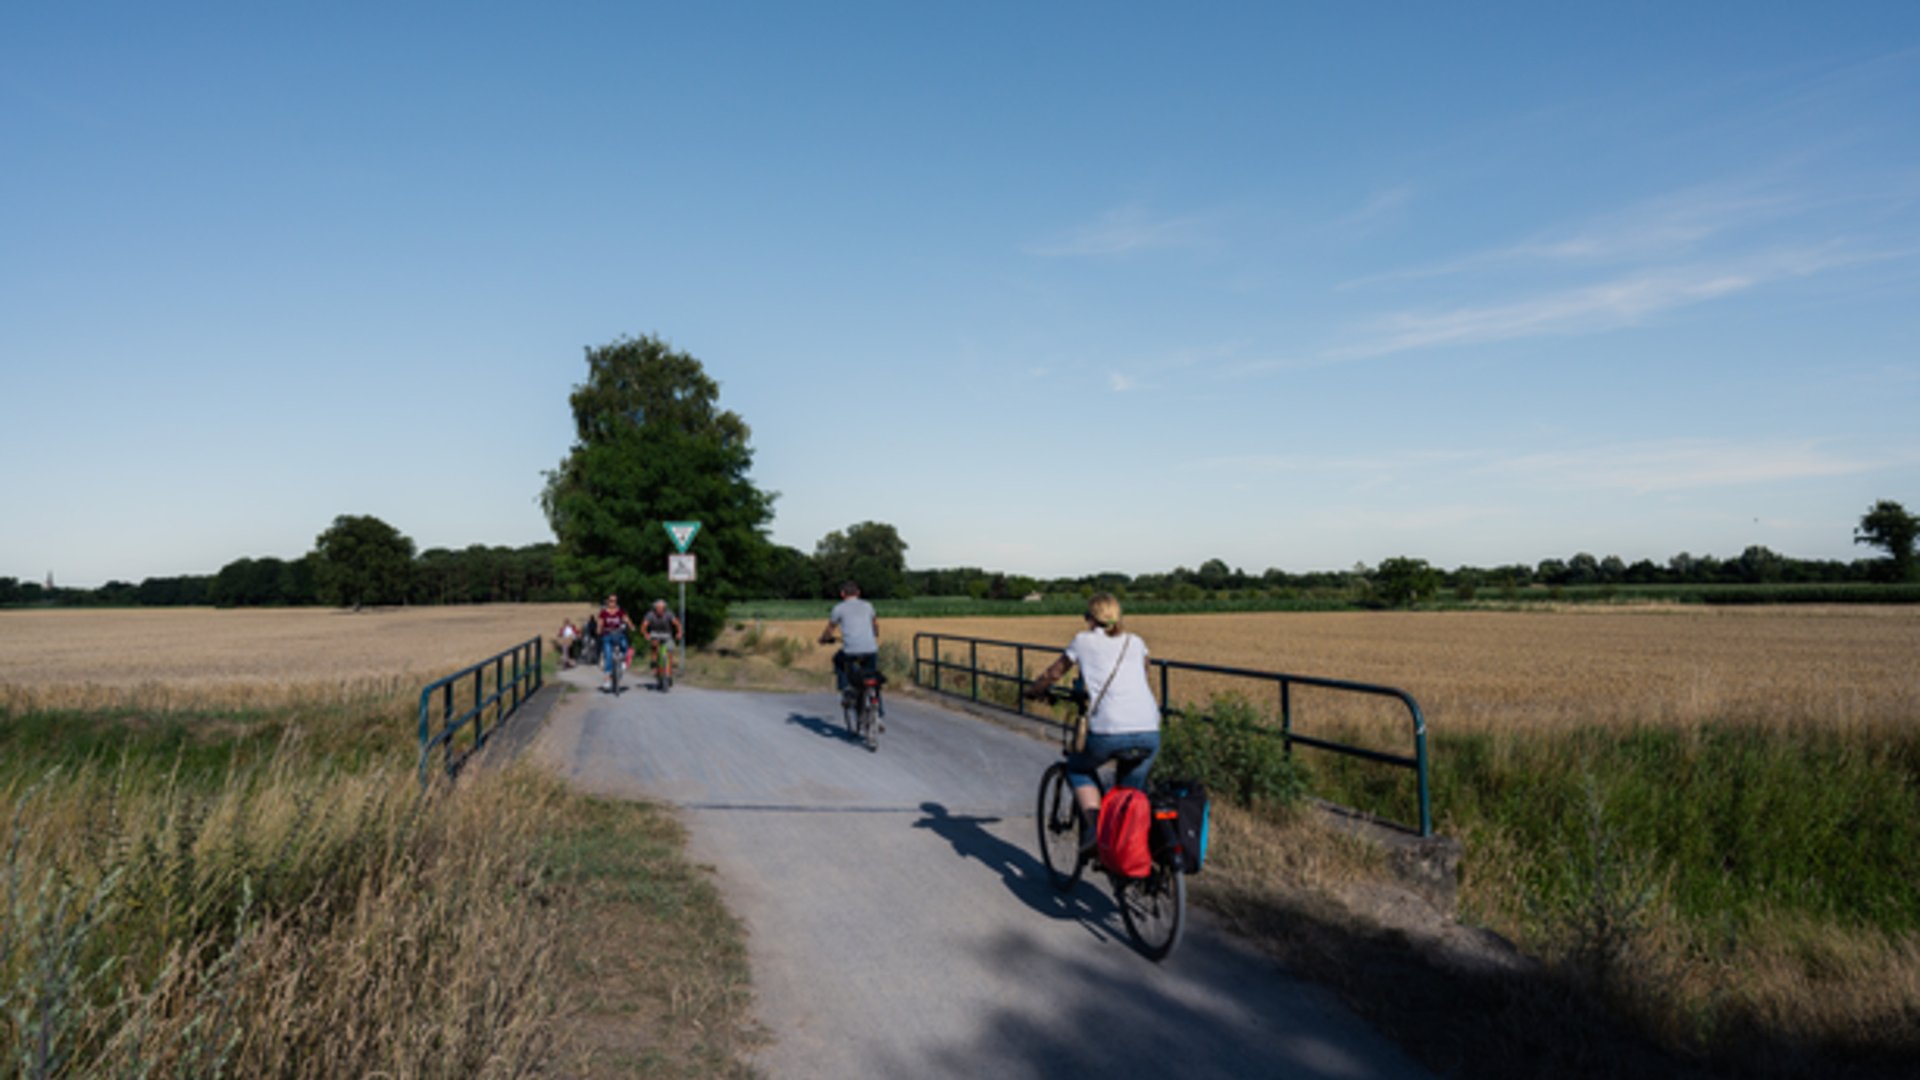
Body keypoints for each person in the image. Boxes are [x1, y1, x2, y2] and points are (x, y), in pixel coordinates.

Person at [1023, 593, 1159, 854]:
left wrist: (1033, 691)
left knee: (1077, 768)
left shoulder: (1083, 641)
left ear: (1090, 619)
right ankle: (1128, 855)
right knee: (1130, 798)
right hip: (1149, 730)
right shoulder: (1136, 641)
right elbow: (1143, 673)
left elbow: (1053, 673)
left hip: (1110, 730)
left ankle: (1098, 830)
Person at [818, 581, 879, 701]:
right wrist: (874, 634)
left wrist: (824, 639)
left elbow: (830, 628)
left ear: (842, 594)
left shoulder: (838, 608)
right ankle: (878, 713)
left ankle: (845, 688)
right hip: (871, 649)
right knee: (872, 678)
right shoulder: (868, 606)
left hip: (851, 650)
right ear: (858, 593)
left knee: (837, 660)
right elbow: (875, 625)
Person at [594, 593, 635, 691]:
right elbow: (600, 623)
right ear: (608, 602)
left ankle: (623, 661)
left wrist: (631, 626)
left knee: (625, 645)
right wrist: (599, 630)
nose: (613, 603)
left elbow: (626, 619)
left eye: (615, 601)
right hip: (607, 635)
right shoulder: (603, 613)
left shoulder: (620, 612)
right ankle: (607, 678)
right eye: (611, 601)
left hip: (619, 634)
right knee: (608, 655)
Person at [641, 599, 683, 675]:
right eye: (658, 608)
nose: (660, 610)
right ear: (655, 608)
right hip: (655, 633)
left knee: (669, 652)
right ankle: (654, 663)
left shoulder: (669, 614)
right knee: (654, 645)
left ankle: (669, 673)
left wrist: (679, 632)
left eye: (662, 608)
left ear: (664, 608)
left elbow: (677, 624)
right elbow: (644, 626)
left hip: (667, 634)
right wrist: (645, 634)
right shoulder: (650, 615)